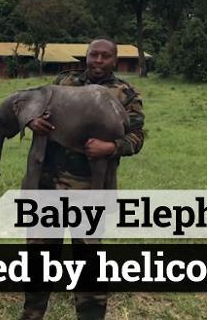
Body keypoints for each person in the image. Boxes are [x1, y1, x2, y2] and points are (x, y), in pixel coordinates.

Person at [21, 38, 145, 320]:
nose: (98, 61)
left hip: (90, 190)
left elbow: (137, 137)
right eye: (93, 55)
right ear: (86, 56)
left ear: (115, 59)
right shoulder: (64, 81)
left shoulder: (125, 94)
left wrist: (111, 148)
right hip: (47, 187)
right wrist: (32, 121)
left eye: (105, 56)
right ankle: (32, 313)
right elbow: (34, 106)